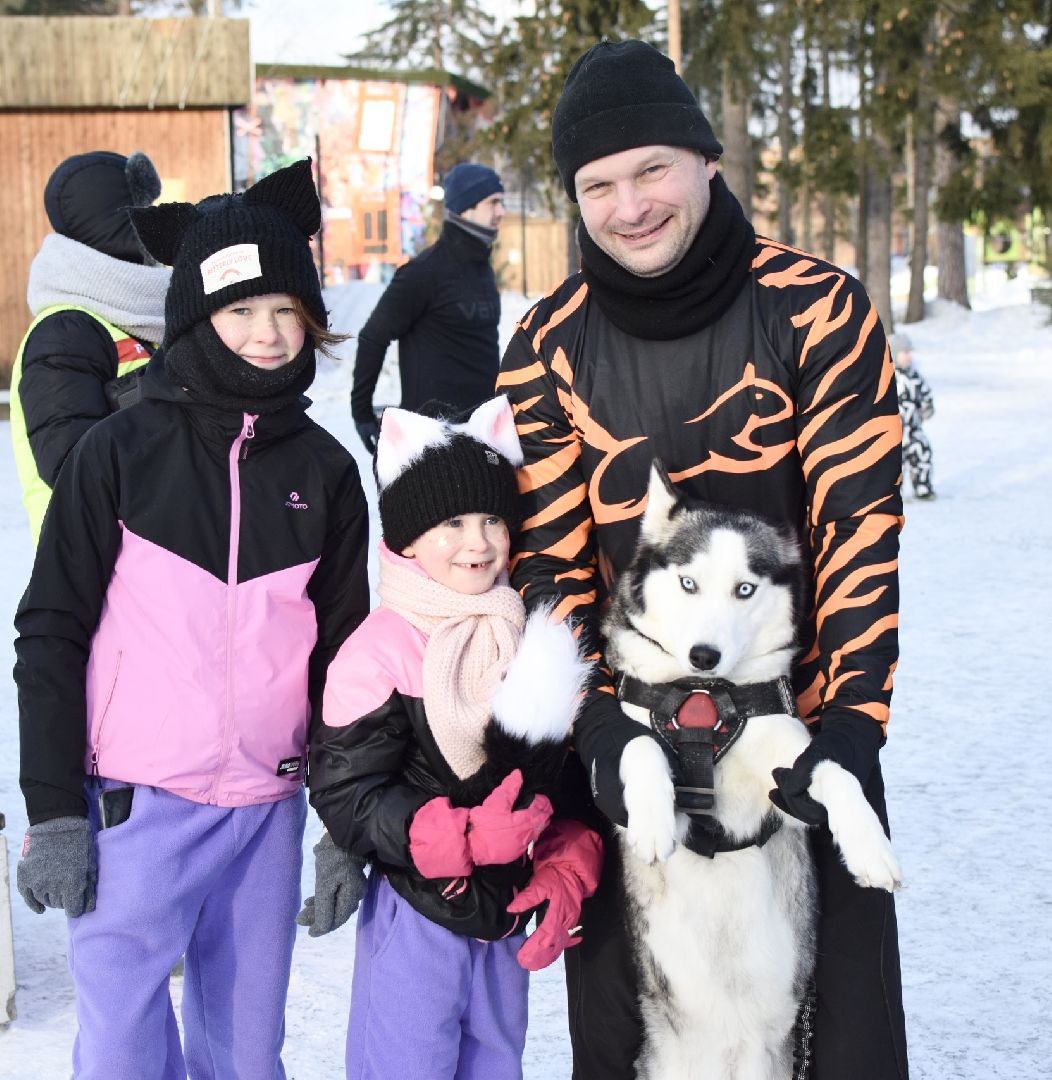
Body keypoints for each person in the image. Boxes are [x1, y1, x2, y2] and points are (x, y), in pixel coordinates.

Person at [496, 38, 909, 1080]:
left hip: (796, 738)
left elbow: (857, 533)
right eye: (597, 184)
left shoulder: (814, 310)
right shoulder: (546, 344)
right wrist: (590, 724)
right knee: (642, 1044)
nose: (628, 205)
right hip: (628, 747)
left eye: (650, 170)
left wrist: (852, 729)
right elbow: (549, 562)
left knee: (832, 1042)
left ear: (704, 162)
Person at [13, 159, 371, 1079]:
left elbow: (347, 667)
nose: (267, 334)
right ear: (193, 316)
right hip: (136, 808)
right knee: (124, 1051)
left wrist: (347, 818)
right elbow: (49, 629)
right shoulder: (117, 450)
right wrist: (55, 812)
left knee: (247, 1054)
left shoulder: (327, 471)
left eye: (286, 310)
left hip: (266, 810)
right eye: (240, 310)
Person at [307, 395, 604, 1080]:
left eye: (492, 519)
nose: (478, 542)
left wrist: (566, 859)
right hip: (417, 911)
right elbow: (346, 791)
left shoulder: (528, 636)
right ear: (409, 538)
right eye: (453, 523)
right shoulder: (381, 649)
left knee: (495, 1063)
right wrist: (460, 837)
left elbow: (557, 780)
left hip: (505, 915)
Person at [10, 149, 172, 545]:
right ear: (122, 222)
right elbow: (74, 465)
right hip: (93, 564)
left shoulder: (134, 317)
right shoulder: (66, 331)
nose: (155, 224)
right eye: (144, 211)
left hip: (151, 554)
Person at [350, 163, 505, 454]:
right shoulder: (424, 272)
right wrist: (361, 413)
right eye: (493, 202)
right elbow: (373, 336)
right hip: (433, 442)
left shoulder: (482, 269)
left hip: (483, 435)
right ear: (466, 208)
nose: (502, 211)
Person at [889, 331, 936, 499]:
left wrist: (927, 406)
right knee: (893, 463)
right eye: (905, 353)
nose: (909, 356)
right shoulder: (889, 377)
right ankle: (893, 494)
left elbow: (925, 394)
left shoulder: (915, 376)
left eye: (910, 352)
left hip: (914, 428)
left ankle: (923, 487)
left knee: (923, 454)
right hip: (894, 431)